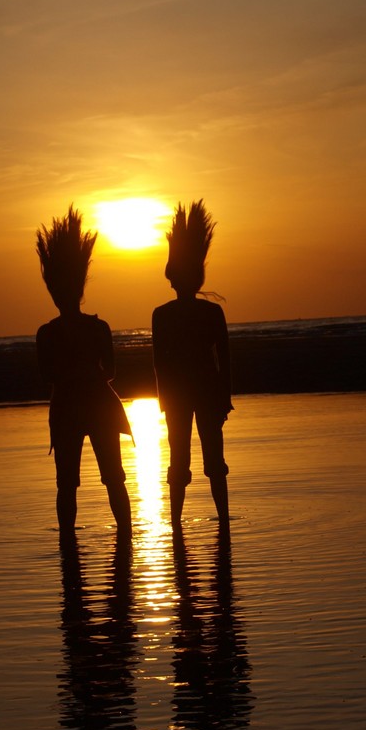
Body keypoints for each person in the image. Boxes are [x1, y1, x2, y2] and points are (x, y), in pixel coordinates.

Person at [36, 205, 133, 538]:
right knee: (113, 477)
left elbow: (47, 376)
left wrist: (71, 378)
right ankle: (125, 535)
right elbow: (111, 373)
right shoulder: (98, 328)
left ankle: (69, 543)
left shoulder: (47, 333)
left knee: (68, 483)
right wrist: (88, 377)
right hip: (98, 405)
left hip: (66, 409)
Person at [152, 200, 232, 530]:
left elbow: (161, 363)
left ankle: (176, 522)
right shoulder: (210, 313)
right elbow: (224, 359)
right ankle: (222, 519)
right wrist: (225, 397)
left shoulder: (163, 315)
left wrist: (165, 401)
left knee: (180, 460)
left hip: (182, 395)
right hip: (203, 392)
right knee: (212, 460)